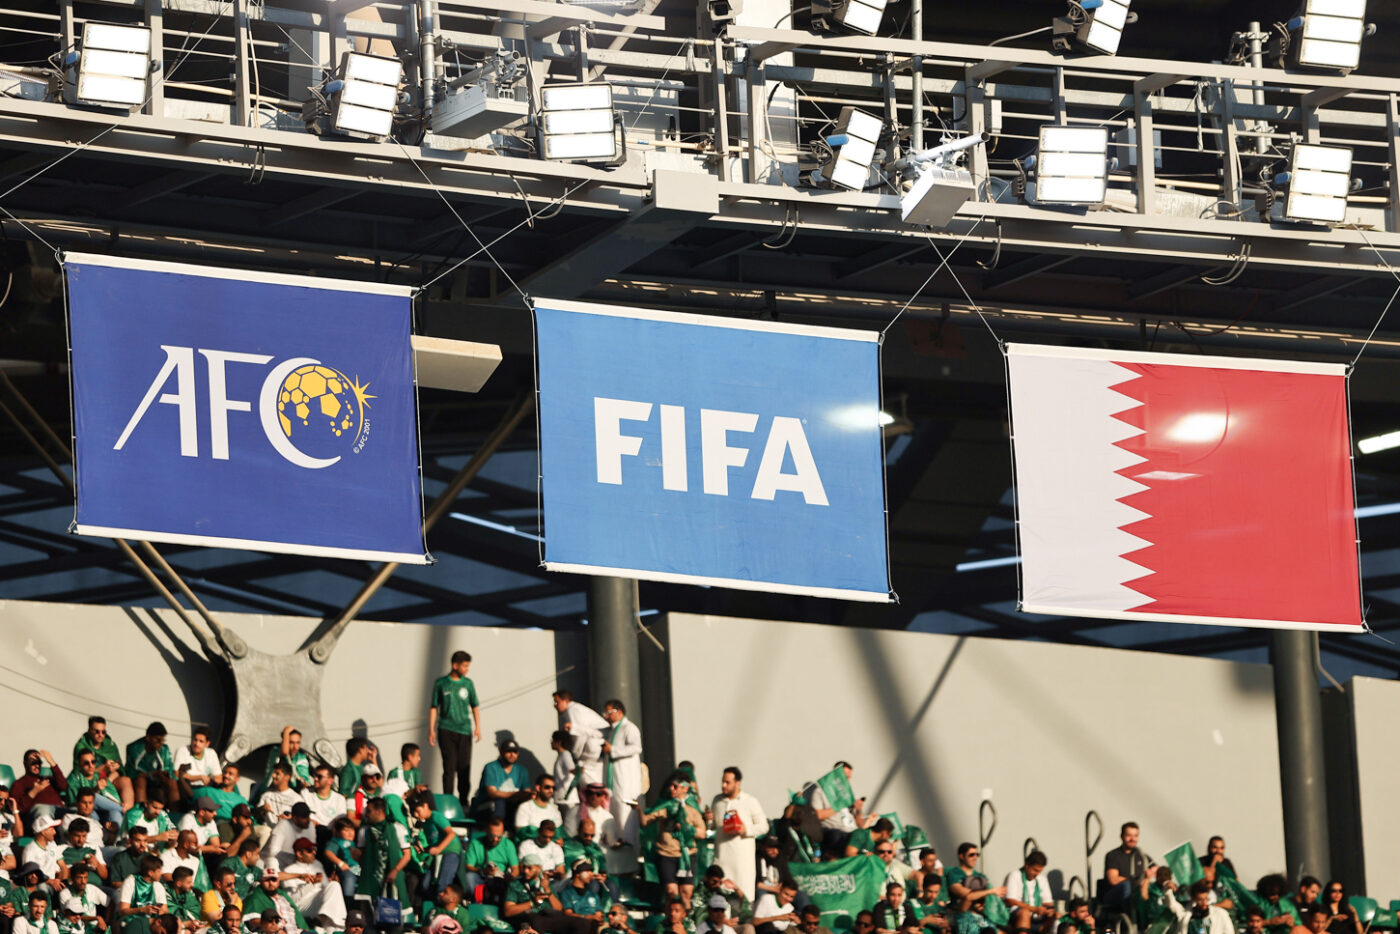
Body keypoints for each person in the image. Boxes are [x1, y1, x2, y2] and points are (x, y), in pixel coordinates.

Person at [640, 774, 707, 906]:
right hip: (667, 854)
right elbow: (645, 822)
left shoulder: (692, 809)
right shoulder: (665, 806)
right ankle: (671, 917)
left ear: (685, 789)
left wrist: (687, 829)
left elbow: (702, 833)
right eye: (671, 786)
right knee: (671, 892)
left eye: (675, 786)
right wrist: (638, 810)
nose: (671, 789)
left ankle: (686, 917)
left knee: (686, 892)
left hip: (687, 855)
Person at [429, 652, 482, 806]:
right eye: (464, 666)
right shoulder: (441, 683)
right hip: (446, 729)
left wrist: (478, 727)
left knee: (464, 767)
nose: (467, 669)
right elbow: (434, 707)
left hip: (464, 730)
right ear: (455, 665)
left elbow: (475, 705)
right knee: (449, 767)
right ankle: (448, 801)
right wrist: (431, 729)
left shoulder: (468, 684)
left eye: (468, 666)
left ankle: (463, 802)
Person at [710, 769, 768, 900]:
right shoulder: (717, 801)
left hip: (742, 863)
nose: (723, 785)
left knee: (744, 898)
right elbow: (713, 826)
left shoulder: (750, 801)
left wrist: (746, 829)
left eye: (727, 782)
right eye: (722, 782)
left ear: (737, 783)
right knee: (721, 899)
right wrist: (708, 820)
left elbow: (764, 826)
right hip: (722, 859)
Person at [353, 798, 411, 918]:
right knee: (370, 919)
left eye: (369, 811)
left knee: (393, 918)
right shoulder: (364, 830)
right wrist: (355, 855)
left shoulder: (398, 828)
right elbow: (361, 855)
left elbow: (407, 855)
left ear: (379, 811)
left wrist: (395, 871)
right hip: (370, 879)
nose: (366, 815)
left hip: (393, 878)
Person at [502, 854, 587, 934]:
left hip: (548, 918)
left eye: (529, 868)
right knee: (534, 919)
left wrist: (547, 890)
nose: (525, 871)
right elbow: (508, 911)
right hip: (529, 919)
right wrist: (532, 903)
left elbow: (558, 908)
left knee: (582, 923)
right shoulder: (516, 884)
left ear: (538, 868)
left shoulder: (546, 883)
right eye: (524, 867)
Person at [805, 763, 871, 858]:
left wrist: (859, 810)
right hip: (834, 830)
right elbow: (817, 815)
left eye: (849, 778)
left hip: (853, 831)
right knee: (838, 836)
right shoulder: (820, 792)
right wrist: (838, 806)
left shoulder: (848, 795)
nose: (847, 781)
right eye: (845, 777)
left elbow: (860, 824)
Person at [599, 702, 642, 848]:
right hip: (614, 781)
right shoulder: (612, 731)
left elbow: (636, 747)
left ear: (619, 712)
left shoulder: (629, 728)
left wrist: (613, 750)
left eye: (609, 712)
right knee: (615, 813)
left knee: (626, 814)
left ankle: (630, 846)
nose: (606, 716)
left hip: (626, 781)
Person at [281, 838, 345, 930]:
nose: (314, 852)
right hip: (301, 905)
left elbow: (326, 888)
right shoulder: (289, 870)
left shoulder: (317, 864)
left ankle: (330, 926)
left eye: (314, 849)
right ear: (299, 854)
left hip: (320, 901)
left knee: (335, 885)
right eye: (310, 850)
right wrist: (310, 885)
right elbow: (292, 900)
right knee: (332, 893)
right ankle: (339, 926)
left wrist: (330, 881)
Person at [407, 792, 461, 902]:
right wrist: (424, 850)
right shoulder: (426, 823)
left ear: (426, 806)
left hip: (450, 851)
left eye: (418, 811)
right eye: (414, 812)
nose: (416, 815)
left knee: (443, 883)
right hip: (438, 854)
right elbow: (433, 843)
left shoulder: (436, 817)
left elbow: (451, 834)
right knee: (425, 884)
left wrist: (439, 849)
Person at [73, 718, 135, 811]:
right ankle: (119, 808)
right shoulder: (81, 746)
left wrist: (112, 774)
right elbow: (82, 772)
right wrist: (103, 768)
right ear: (89, 731)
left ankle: (127, 810)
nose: (101, 735)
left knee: (125, 780)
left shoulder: (110, 745)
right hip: (90, 782)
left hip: (109, 780)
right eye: (97, 732)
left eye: (103, 732)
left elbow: (120, 769)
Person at [553, 693, 608, 789]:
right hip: (595, 753)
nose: (555, 705)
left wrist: (575, 755)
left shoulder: (573, 711)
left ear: (566, 701)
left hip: (592, 753)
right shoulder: (576, 709)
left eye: (557, 702)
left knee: (592, 787)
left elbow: (580, 736)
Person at [461, 816, 518, 904]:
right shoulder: (476, 843)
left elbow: (515, 868)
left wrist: (510, 876)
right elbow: (468, 866)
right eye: (492, 836)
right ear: (486, 831)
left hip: (500, 877)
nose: (495, 839)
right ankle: (476, 903)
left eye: (499, 836)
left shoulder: (508, 844)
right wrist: (482, 871)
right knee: (470, 877)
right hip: (481, 875)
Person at [66, 751, 125, 833]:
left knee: (115, 813)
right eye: (86, 763)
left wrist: (117, 803)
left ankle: (118, 836)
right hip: (83, 810)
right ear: (79, 765)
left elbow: (112, 796)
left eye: (93, 762)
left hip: (103, 811)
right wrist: (96, 789)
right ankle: (123, 809)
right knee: (94, 798)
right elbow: (75, 801)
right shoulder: (74, 778)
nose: (91, 765)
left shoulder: (99, 776)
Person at [240, 862, 306, 934]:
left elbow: (298, 919)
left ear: (278, 882)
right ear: (261, 881)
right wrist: (275, 929)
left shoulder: (283, 897)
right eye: (267, 880)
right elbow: (253, 920)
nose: (271, 883)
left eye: (273, 879)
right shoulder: (255, 897)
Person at [474, 741, 531, 824]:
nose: (512, 754)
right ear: (501, 752)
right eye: (508, 751)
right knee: (499, 802)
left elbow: (527, 793)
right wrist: (516, 794)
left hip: (511, 805)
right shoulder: (491, 767)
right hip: (486, 806)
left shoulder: (522, 770)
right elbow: (492, 793)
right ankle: (498, 830)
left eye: (515, 752)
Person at [1102, 823, 1152, 913]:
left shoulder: (1141, 855)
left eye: (1135, 836)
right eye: (1129, 835)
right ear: (1122, 836)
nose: (1132, 839)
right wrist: (1135, 881)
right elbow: (1113, 879)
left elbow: (1156, 870)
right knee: (1127, 885)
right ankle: (1130, 915)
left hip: (1137, 893)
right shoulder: (1113, 855)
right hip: (1115, 895)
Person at [1004, 851, 1055, 934]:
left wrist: (1049, 910)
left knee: (1056, 916)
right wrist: (1033, 909)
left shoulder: (1042, 879)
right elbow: (1010, 900)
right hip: (1016, 915)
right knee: (1025, 913)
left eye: (1040, 871)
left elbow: (1048, 902)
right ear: (1027, 865)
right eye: (1035, 870)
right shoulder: (1015, 875)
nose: (1037, 874)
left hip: (1037, 917)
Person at [118, 853, 169, 934]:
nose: (161, 873)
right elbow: (122, 911)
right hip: (130, 922)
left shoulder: (158, 886)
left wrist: (161, 912)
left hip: (151, 924)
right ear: (150, 873)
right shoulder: (130, 881)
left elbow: (166, 911)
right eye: (159, 871)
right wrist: (142, 910)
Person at [126, 726, 176, 808]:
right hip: (139, 779)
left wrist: (166, 775)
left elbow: (169, 769)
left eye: (163, 740)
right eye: (158, 740)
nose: (161, 743)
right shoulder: (134, 748)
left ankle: (175, 812)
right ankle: (140, 809)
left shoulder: (164, 749)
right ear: (148, 738)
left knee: (172, 781)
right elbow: (133, 773)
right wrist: (152, 774)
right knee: (141, 780)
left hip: (156, 778)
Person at [14, 751, 68, 822]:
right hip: (38, 815)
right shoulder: (19, 783)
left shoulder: (48, 779)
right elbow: (18, 808)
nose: (37, 766)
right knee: (43, 809)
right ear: (25, 763)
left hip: (58, 811)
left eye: (39, 762)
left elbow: (63, 786)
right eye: (33, 762)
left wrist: (51, 762)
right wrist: (34, 791)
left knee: (75, 811)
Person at [1166, 880, 1235, 934]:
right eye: (1200, 900)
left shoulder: (1221, 914)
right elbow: (1171, 904)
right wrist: (1168, 889)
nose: (1204, 902)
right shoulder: (1185, 913)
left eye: (1206, 898)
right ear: (1193, 899)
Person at [172, 730, 221, 802]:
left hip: (206, 788)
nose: (197, 744)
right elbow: (177, 774)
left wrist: (210, 782)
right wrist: (200, 777)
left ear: (207, 744)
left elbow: (219, 778)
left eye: (201, 741)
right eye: (195, 740)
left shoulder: (211, 753)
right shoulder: (183, 750)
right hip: (187, 788)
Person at [558, 860, 609, 929]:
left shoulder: (593, 894)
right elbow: (568, 914)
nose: (591, 874)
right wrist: (586, 917)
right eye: (587, 871)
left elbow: (599, 913)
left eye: (591, 871)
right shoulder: (567, 893)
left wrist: (600, 919)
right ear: (577, 874)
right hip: (577, 926)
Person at [23, 815, 67, 888]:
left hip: (55, 883)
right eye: (52, 829)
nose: (55, 832)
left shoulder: (52, 844)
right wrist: (49, 881)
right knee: (42, 886)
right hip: (40, 884)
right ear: (43, 832)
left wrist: (62, 881)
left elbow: (63, 866)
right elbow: (30, 875)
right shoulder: (29, 850)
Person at [550, 733, 581, 834]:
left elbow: (572, 770)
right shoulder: (561, 756)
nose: (551, 743)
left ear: (559, 742)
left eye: (553, 740)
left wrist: (579, 770)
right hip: (562, 798)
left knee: (570, 826)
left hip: (567, 799)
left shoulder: (565, 754)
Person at [61, 818, 108, 885]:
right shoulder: (60, 850)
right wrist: (75, 868)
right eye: (77, 836)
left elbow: (105, 876)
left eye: (84, 836)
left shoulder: (94, 848)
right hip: (72, 887)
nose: (81, 840)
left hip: (96, 887)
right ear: (69, 834)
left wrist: (97, 864)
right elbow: (57, 876)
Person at [265, 729, 313, 793]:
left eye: (298, 743)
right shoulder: (275, 752)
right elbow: (285, 752)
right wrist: (286, 732)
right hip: (272, 791)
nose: (295, 747)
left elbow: (306, 782)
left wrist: (303, 782)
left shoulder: (301, 757)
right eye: (291, 743)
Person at [178, 798, 224, 863]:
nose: (215, 813)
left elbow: (216, 846)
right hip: (183, 855)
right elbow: (186, 845)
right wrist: (207, 849)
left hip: (198, 854)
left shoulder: (211, 822)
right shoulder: (188, 819)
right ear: (202, 812)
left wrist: (203, 848)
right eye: (211, 811)